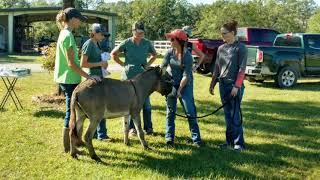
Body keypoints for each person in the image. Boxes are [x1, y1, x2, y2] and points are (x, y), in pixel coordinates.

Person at [54, 8, 101, 153]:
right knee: (70, 113)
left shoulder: (64, 33)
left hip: (65, 77)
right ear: (73, 19)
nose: (80, 22)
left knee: (73, 111)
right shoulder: (68, 35)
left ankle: (73, 143)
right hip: (69, 79)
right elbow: (71, 63)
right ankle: (68, 147)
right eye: (79, 19)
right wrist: (88, 77)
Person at [111, 21, 157, 135]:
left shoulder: (147, 43)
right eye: (138, 32)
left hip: (142, 79)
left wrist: (147, 65)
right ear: (133, 31)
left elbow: (154, 54)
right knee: (130, 104)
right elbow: (113, 54)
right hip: (128, 79)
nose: (140, 34)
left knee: (146, 104)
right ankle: (132, 129)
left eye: (142, 32)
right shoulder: (126, 42)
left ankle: (148, 128)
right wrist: (123, 65)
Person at [209, 20, 247, 151]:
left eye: (224, 33)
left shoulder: (241, 48)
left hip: (234, 86)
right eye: (221, 33)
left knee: (235, 114)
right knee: (227, 114)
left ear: (232, 33)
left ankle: (239, 144)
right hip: (223, 85)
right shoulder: (221, 48)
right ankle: (229, 142)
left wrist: (237, 86)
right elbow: (217, 67)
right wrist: (212, 83)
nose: (222, 36)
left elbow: (242, 69)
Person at [162, 29, 203, 147]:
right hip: (172, 84)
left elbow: (186, 76)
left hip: (186, 86)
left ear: (179, 41)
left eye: (172, 39)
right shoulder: (169, 52)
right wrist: (163, 81)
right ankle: (169, 138)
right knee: (170, 112)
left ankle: (196, 139)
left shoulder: (187, 56)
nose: (170, 41)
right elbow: (163, 68)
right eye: (170, 38)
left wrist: (179, 91)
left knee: (190, 112)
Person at [80, 23, 111, 141]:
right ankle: (99, 134)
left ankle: (100, 134)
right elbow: (83, 64)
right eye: (101, 34)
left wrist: (104, 63)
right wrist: (99, 64)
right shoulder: (88, 44)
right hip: (92, 81)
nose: (103, 36)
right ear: (94, 33)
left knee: (100, 108)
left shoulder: (97, 43)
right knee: (96, 109)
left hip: (99, 79)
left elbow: (98, 60)